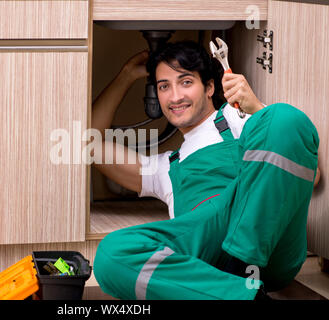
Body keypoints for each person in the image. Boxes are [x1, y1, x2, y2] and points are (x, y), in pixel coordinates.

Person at [91, 41, 320, 300]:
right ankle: (245, 296)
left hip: (271, 248)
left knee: (285, 115)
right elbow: (88, 144)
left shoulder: (238, 120)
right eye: (164, 86)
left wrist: (255, 107)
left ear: (210, 87)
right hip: (208, 262)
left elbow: (312, 175)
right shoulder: (164, 168)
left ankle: (241, 265)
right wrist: (127, 75)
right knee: (111, 254)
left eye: (186, 82)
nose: (175, 96)